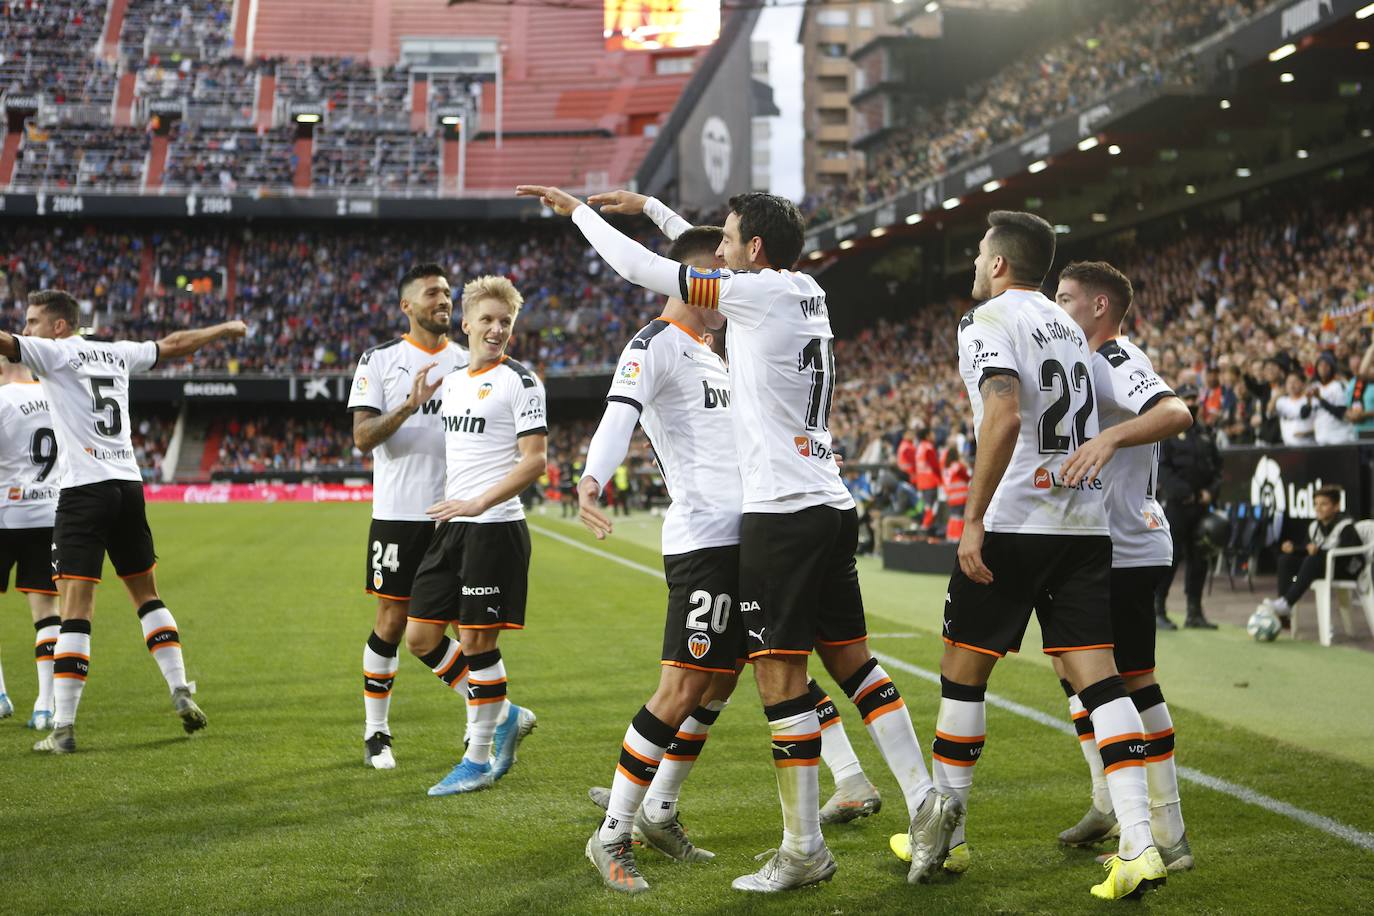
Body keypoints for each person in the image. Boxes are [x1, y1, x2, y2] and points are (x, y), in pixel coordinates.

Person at [520, 183, 942, 892]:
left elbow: (671, 262)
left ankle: (689, 816)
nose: (719, 254)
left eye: (730, 245)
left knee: (746, 680)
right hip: (745, 528)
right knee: (713, 682)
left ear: (749, 256)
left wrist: (581, 213)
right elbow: (699, 263)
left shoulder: (733, 314)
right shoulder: (772, 300)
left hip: (773, 521)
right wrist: (592, 477)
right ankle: (623, 829)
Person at [573, 218, 880, 893]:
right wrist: (594, 476)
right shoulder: (653, 343)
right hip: (705, 541)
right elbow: (619, 412)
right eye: (717, 277)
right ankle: (613, 835)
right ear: (696, 283)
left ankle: (658, 809)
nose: (729, 285)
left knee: (723, 681)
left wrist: (656, 207)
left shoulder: (715, 351)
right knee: (682, 687)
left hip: (751, 537)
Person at [931, 213, 1167, 899]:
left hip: (1018, 521)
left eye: (980, 253)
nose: (976, 263)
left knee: (962, 674)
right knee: (1100, 680)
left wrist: (973, 518)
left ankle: (948, 839)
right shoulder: (1069, 327)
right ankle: (1141, 845)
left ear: (999, 264)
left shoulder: (986, 320)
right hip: (1084, 525)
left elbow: (1003, 414)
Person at [0, 289, 246, 753]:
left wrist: (19, 340)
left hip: (82, 492)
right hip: (128, 487)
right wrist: (222, 330)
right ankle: (178, 689)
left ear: (58, 325)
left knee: (76, 607)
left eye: (33, 321)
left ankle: (64, 727)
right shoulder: (115, 352)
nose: (26, 329)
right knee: (147, 596)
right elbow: (172, 345)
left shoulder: (52, 352)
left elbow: (6, 344)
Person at [1050, 261, 1197, 871]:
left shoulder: (1115, 358)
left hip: (1127, 543)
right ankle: (1108, 799)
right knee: (1072, 665)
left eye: (1066, 298)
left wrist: (1110, 440)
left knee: (1132, 678)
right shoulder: (1083, 362)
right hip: (1092, 541)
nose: (1058, 308)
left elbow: (1175, 413)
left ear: (1101, 305)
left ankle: (1169, 827)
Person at [404, 275, 544, 796]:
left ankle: (478, 758)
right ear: (465, 324)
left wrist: (478, 502)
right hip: (453, 526)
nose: (496, 329)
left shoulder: (521, 382)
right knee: (419, 637)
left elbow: (536, 461)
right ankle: (502, 713)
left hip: (495, 527)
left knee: (476, 642)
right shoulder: (455, 382)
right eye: (486, 319)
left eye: (505, 321)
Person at [348, 263, 469, 770]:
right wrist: (409, 405)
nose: (443, 299)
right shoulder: (380, 360)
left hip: (458, 513)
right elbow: (362, 438)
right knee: (393, 621)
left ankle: (480, 724)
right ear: (407, 306)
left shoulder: (469, 361)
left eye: (446, 292)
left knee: (470, 627)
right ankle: (377, 732)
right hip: (399, 514)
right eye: (432, 293)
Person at [0, 357, 61, 728]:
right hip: (51, 513)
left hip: (6, 512)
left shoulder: (3, 400)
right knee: (47, 612)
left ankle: (1, 695)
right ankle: (45, 706)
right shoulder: (56, 396)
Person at [1154, 383, 1221, 630]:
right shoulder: (1169, 432)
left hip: (1202, 506)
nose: (1192, 402)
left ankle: (1195, 612)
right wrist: (1187, 493)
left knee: (1200, 558)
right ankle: (1158, 608)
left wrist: (1209, 493)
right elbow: (1163, 469)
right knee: (1170, 557)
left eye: (1195, 398)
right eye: (1187, 398)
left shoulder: (1205, 433)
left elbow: (1217, 469)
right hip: (1178, 505)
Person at [1257, 486, 1365, 628]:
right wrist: (1293, 549)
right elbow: (1307, 550)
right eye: (1316, 504)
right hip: (1322, 566)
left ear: (1336, 506)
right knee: (1285, 560)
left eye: (1324, 504)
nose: (1318, 508)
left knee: (1313, 559)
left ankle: (1287, 603)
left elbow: (1349, 557)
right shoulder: (1314, 526)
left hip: (1347, 570)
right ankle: (1284, 613)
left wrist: (1318, 552)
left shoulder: (1346, 526)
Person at [1312, 353, 1355, 445]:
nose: (1323, 368)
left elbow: (1341, 413)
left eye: (1326, 365)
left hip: (1340, 437)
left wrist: (1320, 399)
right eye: (1320, 365)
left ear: (1332, 368)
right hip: (1321, 438)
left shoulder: (1338, 385)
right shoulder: (1314, 387)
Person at [1272, 373, 1315, 446]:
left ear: (1303, 384)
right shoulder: (1281, 401)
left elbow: (1321, 424)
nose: (1292, 385)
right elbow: (1268, 414)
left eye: (1295, 382)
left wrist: (1307, 433)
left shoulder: (1311, 400)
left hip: (1309, 446)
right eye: (1289, 382)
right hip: (1288, 447)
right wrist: (1277, 396)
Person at [941, 445, 970, 541]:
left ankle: (951, 536)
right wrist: (964, 463)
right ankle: (959, 538)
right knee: (960, 518)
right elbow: (967, 476)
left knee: (953, 517)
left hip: (951, 497)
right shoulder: (957, 465)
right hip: (961, 497)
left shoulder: (946, 468)